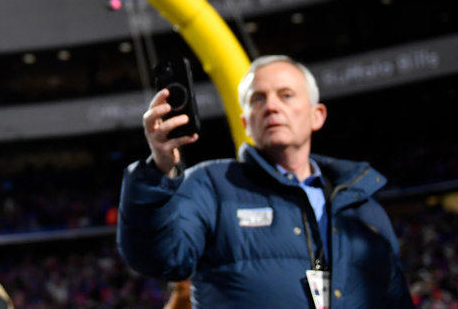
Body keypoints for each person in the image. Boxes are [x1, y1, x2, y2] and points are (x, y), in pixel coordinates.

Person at [117, 55, 414, 308]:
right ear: (246, 123)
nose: (271, 107)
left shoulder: (365, 207)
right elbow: (157, 257)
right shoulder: (210, 185)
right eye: (258, 99)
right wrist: (158, 170)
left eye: (286, 95)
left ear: (317, 115)